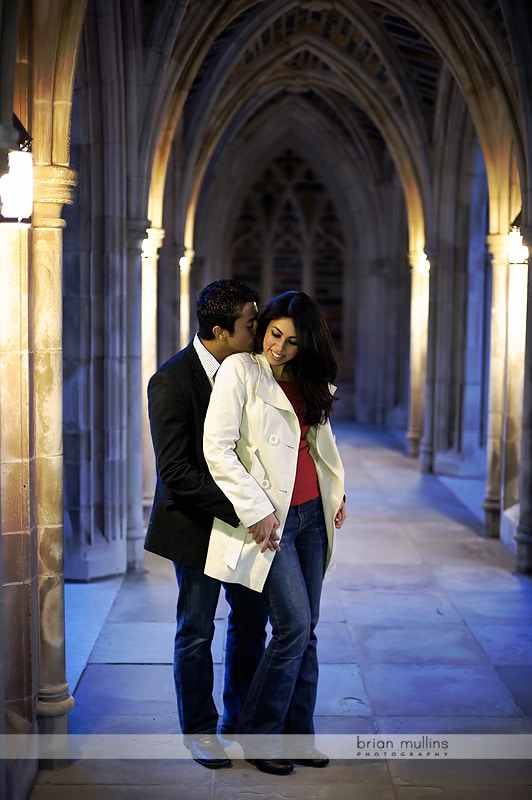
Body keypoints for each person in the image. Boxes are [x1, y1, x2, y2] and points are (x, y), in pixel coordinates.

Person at [203, 290, 346, 776]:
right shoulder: (241, 371)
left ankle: (299, 737)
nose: (279, 347)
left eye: (292, 340)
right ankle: (258, 735)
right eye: (274, 333)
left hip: (312, 516)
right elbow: (218, 449)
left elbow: (316, 442)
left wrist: (335, 493)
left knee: (309, 633)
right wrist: (256, 511)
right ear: (264, 328)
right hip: (273, 519)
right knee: (292, 627)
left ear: (309, 344)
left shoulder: (309, 380)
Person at [144, 279, 268, 770]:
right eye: (250, 324)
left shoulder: (252, 369)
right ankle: (199, 731)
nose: (258, 332)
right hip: (198, 525)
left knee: (250, 623)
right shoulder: (171, 380)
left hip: (246, 526)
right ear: (220, 331)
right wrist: (245, 509)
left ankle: (239, 720)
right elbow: (175, 472)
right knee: (196, 630)